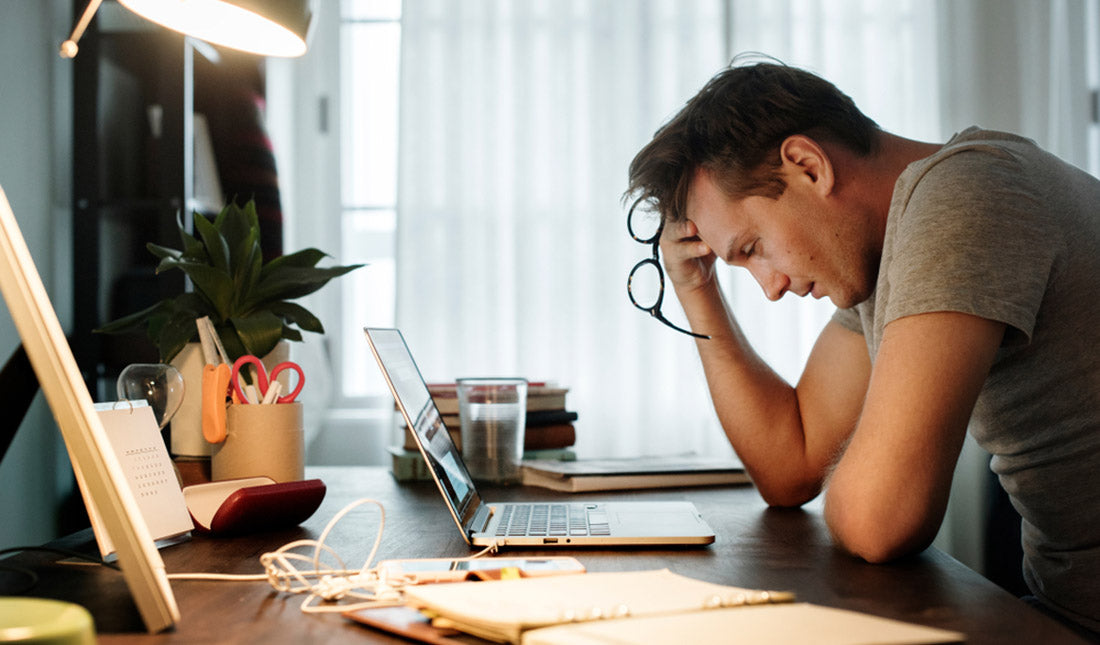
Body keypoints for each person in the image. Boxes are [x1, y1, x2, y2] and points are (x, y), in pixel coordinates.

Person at [625, 59, 1100, 638]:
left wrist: (870, 473)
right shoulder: (887, 252)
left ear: (807, 165)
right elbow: (791, 466)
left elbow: (882, 519)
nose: (771, 287)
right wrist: (695, 286)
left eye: (754, 247)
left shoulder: (968, 194)